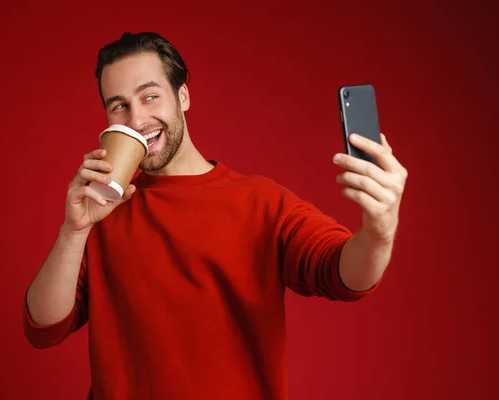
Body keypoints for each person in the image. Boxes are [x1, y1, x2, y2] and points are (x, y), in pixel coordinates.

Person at [23, 32, 408, 399]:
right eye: (119, 105)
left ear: (183, 96)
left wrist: (379, 231)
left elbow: (344, 274)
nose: (137, 119)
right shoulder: (101, 213)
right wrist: (74, 230)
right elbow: (43, 327)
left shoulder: (261, 202)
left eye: (150, 96)